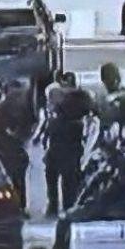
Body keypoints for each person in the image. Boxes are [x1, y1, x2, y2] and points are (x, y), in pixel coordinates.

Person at [42, 73, 92, 216]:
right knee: (69, 181)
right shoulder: (78, 112)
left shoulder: (58, 117)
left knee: (53, 178)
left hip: (57, 151)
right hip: (71, 152)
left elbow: (49, 133)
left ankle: (53, 206)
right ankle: (68, 207)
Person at [0, 93, 29, 212]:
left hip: (4, 148)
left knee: (6, 179)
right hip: (15, 149)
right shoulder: (22, 108)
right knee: (18, 179)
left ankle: (11, 206)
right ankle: (20, 206)